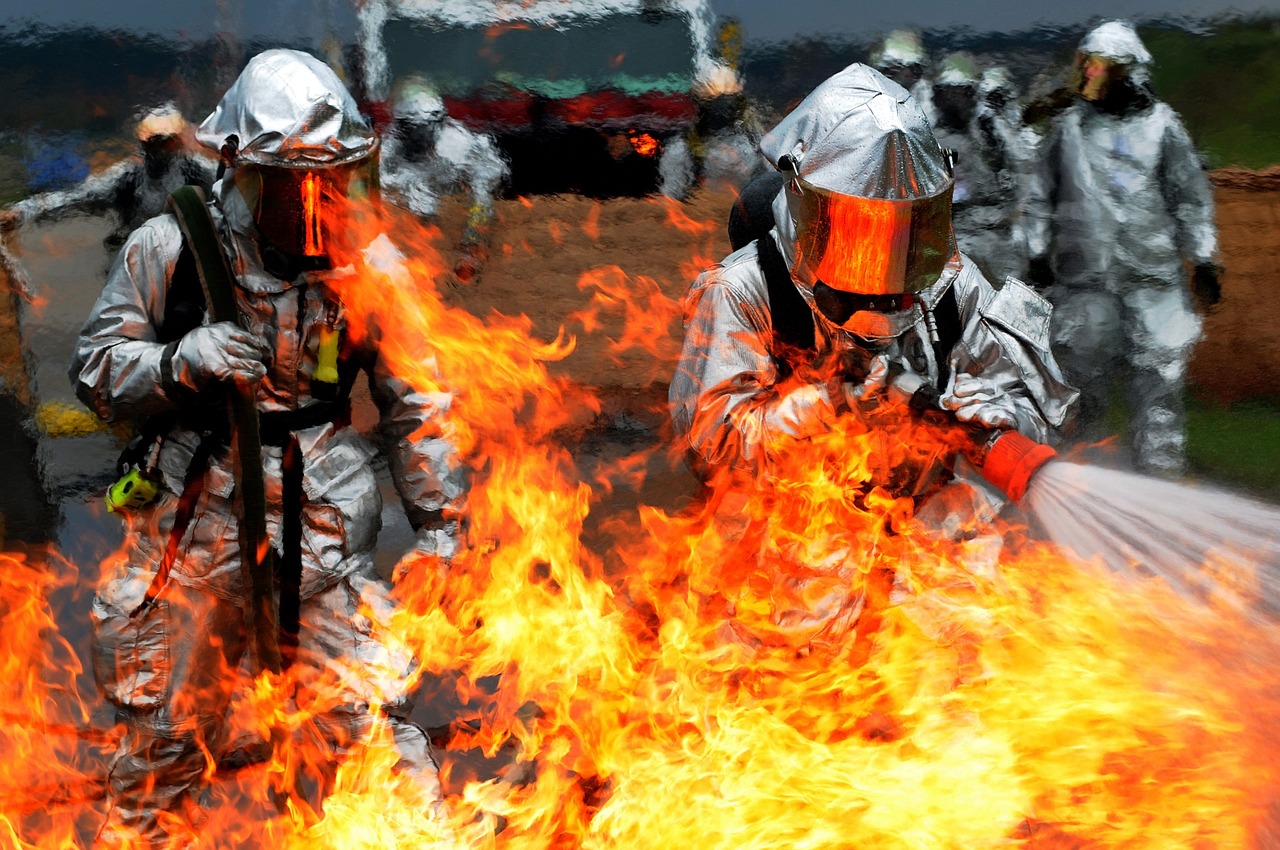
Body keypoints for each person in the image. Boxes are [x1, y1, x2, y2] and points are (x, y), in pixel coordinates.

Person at [71, 49, 464, 847]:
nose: (321, 202)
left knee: (368, 740)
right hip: (194, 532)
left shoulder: (371, 267)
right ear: (246, 173)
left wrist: (441, 528)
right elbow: (97, 371)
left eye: (336, 177)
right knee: (161, 750)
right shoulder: (169, 249)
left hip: (322, 544)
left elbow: (417, 405)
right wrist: (182, 364)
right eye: (299, 183)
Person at [672, 62, 1075, 502]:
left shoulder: (953, 283)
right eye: (861, 229)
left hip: (923, 533)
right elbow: (711, 450)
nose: (885, 255)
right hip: (790, 535)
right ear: (812, 213)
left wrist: (1003, 416)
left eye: (905, 228)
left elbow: (1036, 410)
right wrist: (819, 407)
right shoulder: (744, 289)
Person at [1023, 21, 1220, 477]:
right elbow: (1039, 194)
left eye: (1097, 68)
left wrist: (1205, 257)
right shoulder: (1068, 128)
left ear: (1124, 72)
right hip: (1085, 284)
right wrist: (1035, 252)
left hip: (1153, 279)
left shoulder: (1163, 127)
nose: (1087, 76)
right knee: (1079, 383)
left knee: (1159, 380)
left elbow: (1189, 195)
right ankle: (1080, 473)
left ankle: (1160, 476)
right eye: (1085, 66)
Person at [0, 103, 216, 254]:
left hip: (192, 260)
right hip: (137, 259)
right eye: (154, 141)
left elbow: (235, 188)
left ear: (177, 141)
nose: (161, 148)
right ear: (144, 144)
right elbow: (74, 197)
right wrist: (21, 211)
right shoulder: (128, 177)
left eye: (167, 140)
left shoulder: (200, 172)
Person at [379, 76, 510, 282]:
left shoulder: (458, 144)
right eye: (411, 127)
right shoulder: (390, 147)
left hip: (455, 188)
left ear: (437, 123)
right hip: (423, 195)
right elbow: (380, 186)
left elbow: (491, 176)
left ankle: (471, 251)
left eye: (423, 127)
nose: (418, 135)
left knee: (481, 195)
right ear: (401, 126)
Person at [930, 52, 1032, 285]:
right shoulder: (935, 139)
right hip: (957, 236)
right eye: (948, 92)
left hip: (997, 234)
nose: (955, 99)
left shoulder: (990, 131)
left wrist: (1016, 216)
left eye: (962, 92)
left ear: (973, 94)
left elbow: (1023, 169)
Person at [869, 29, 937, 125]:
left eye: (914, 68)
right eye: (897, 67)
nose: (906, 73)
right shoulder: (865, 91)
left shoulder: (922, 91)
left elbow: (927, 123)